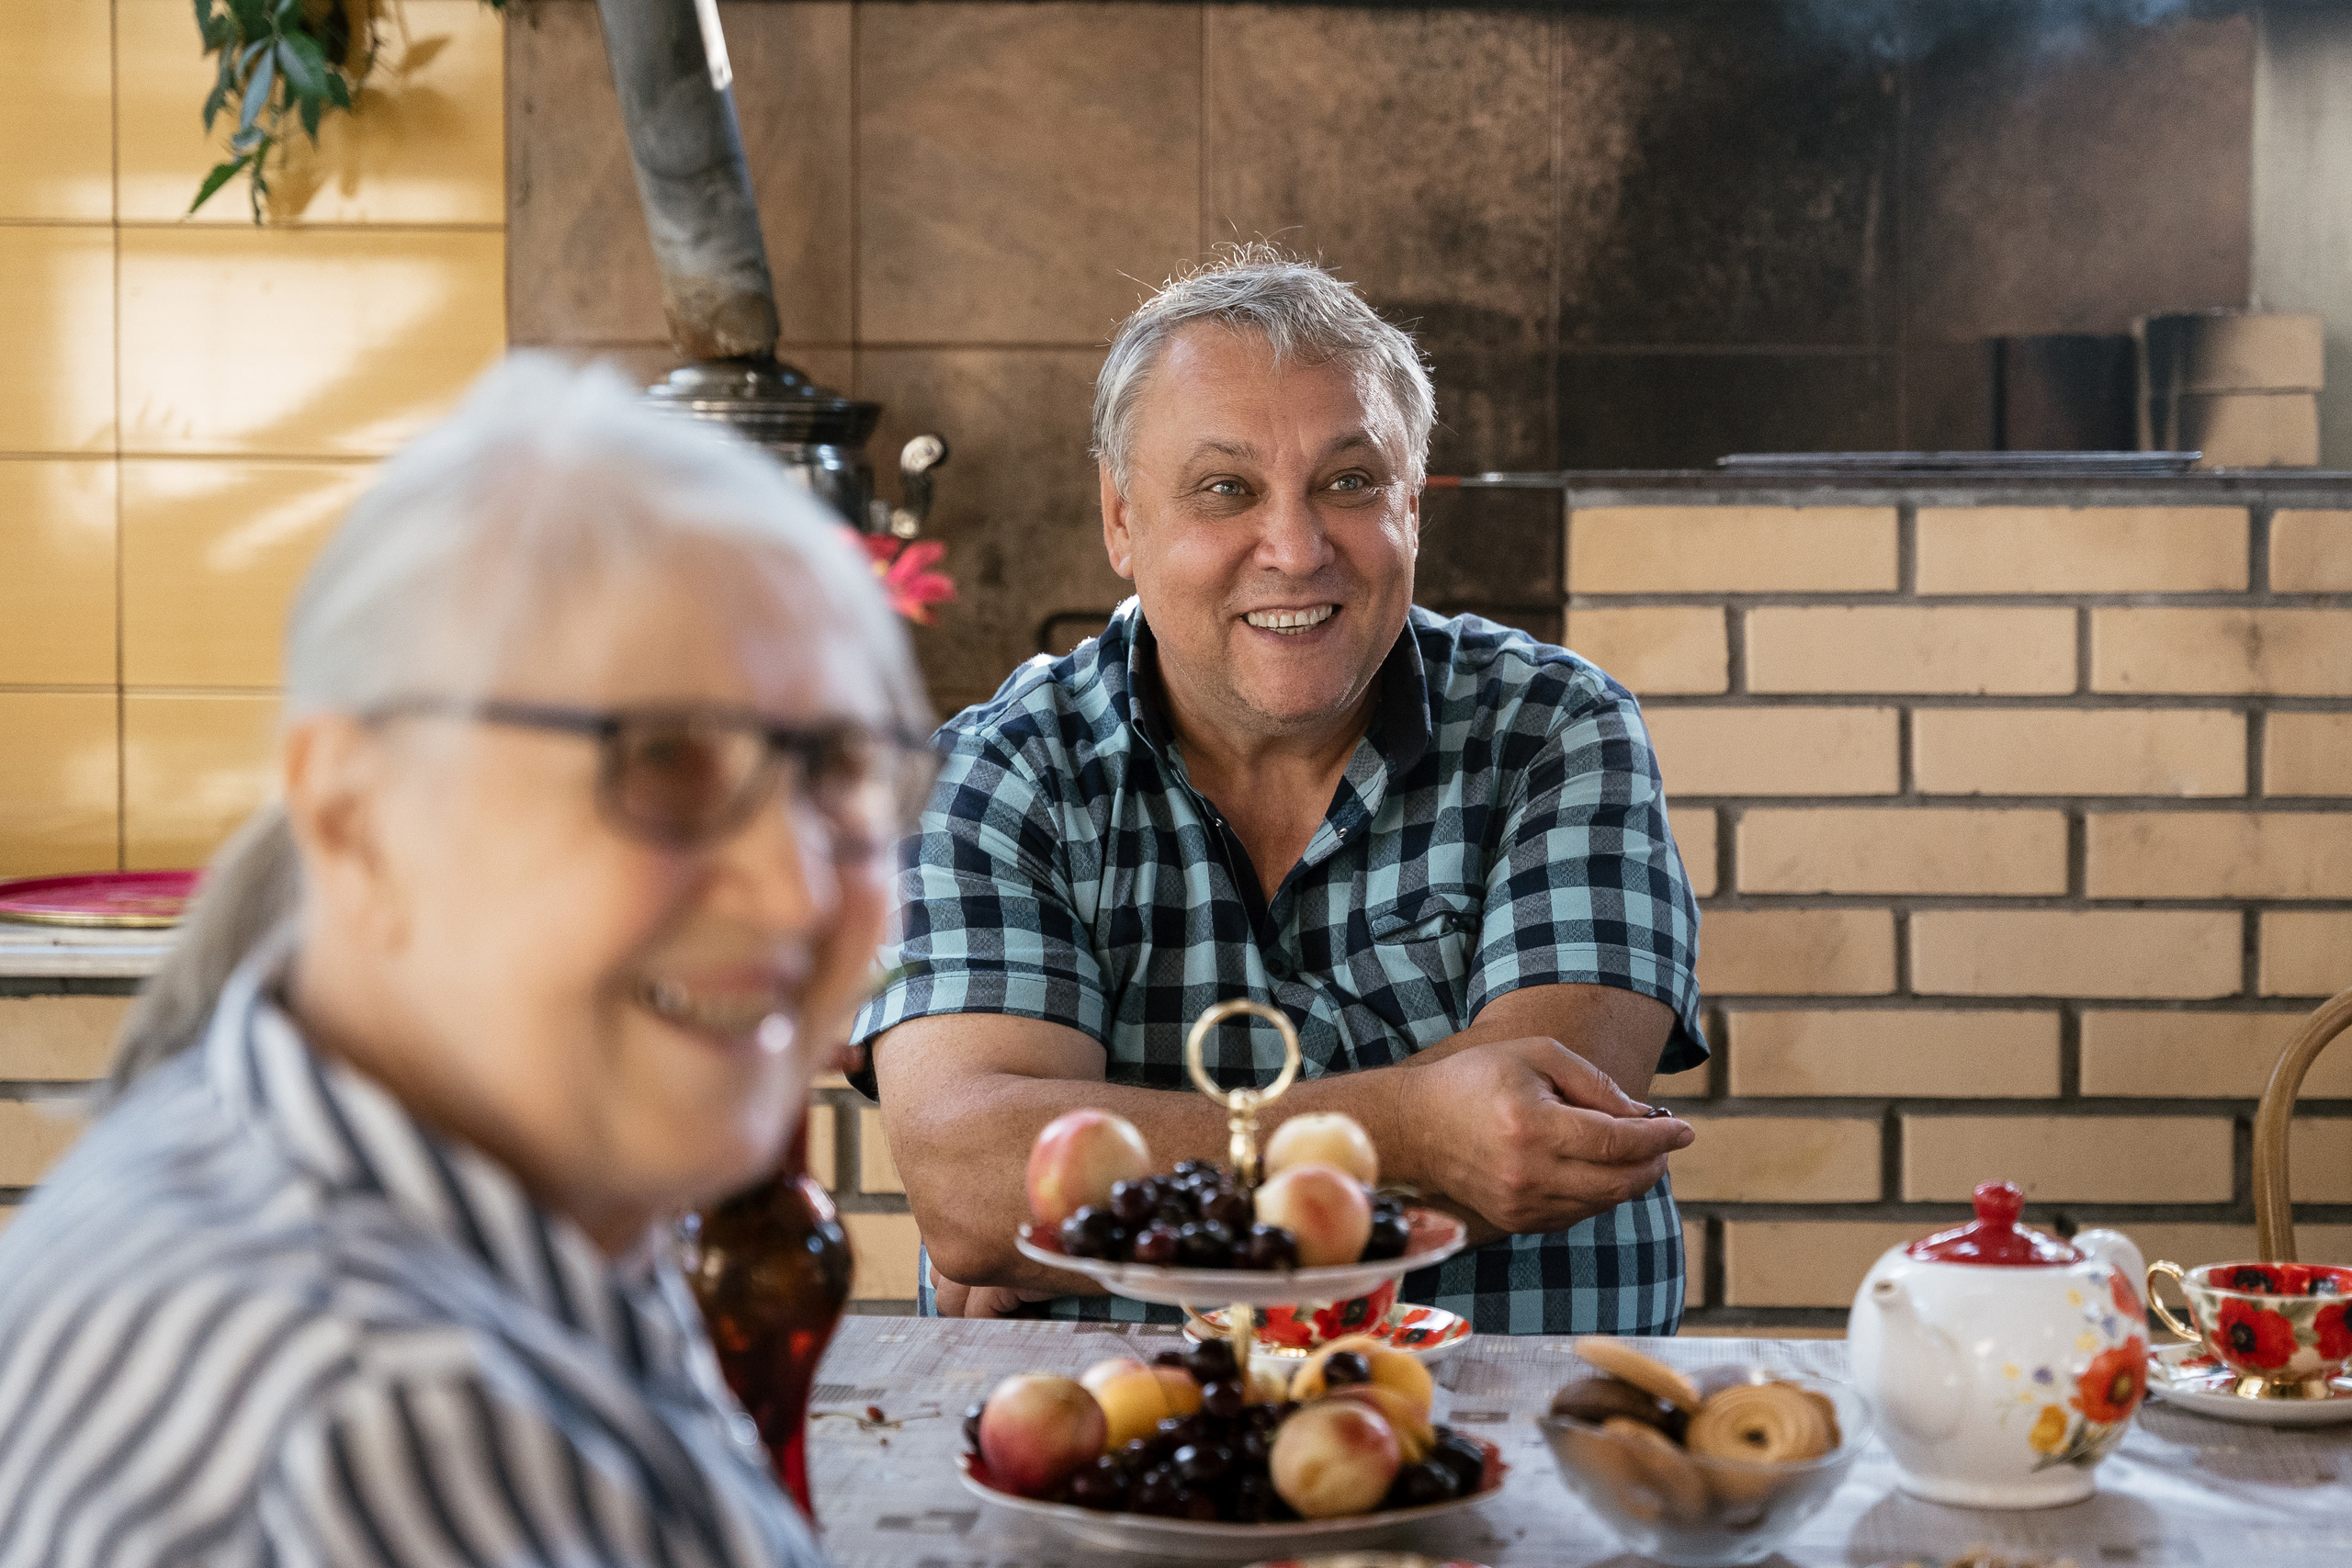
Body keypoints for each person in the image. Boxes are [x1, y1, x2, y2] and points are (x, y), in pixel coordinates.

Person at [0, 357, 930, 1566]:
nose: (796, 886)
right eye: (660, 759)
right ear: (358, 818)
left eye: (838, 767)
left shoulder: (496, 1206)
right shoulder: (393, 1420)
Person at [854, 246, 1704, 1336]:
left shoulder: (1557, 729)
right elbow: (973, 1181)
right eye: (1226, 490)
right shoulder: (994, 771)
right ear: (1121, 519)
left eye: (1349, 484)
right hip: (1119, 1433)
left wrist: (1099, 1215)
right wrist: (1419, 1127)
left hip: (1516, 1420)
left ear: (1411, 506)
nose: (1296, 550)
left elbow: (1544, 1136)